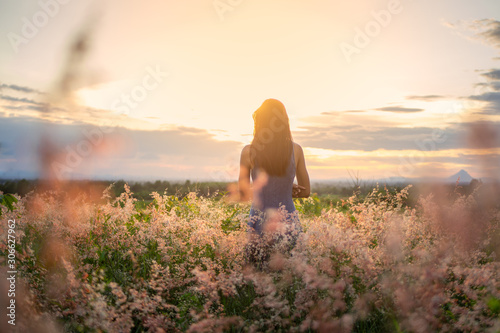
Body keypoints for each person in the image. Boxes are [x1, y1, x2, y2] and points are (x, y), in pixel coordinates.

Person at [238, 99, 310, 265]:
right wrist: (284, 186)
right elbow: (306, 191)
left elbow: (243, 194)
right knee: (289, 275)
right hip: (288, 222)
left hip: (259, 220)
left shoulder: (248, 152)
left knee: (259, 275)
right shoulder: (296, 150)